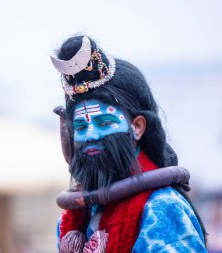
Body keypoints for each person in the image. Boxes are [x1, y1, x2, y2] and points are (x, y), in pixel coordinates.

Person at [50, 35, 207, 252]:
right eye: (80, 127)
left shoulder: (162, 209)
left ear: (137, 127)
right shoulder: (71, 220)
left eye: (105, 122)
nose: (90, 135)